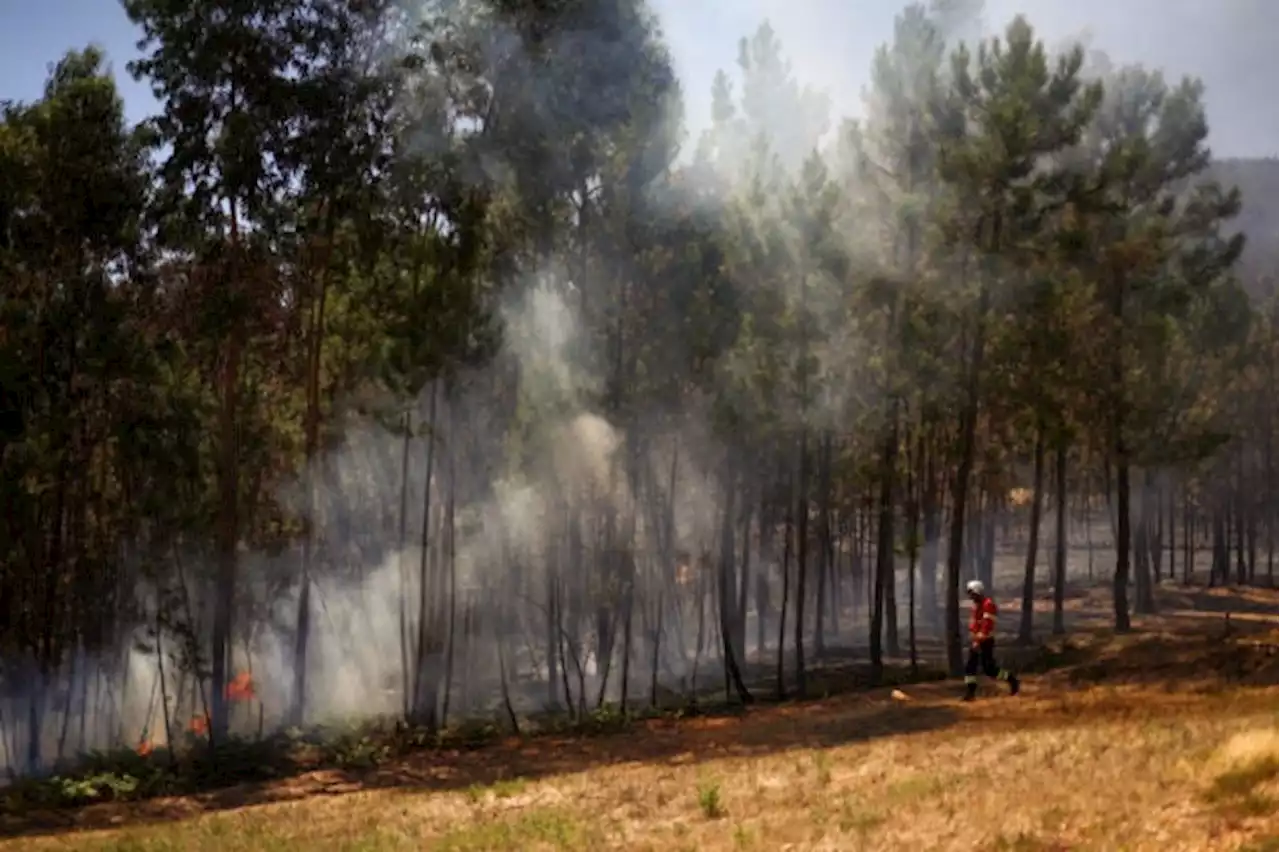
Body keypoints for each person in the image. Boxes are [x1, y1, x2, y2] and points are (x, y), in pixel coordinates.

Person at [963, 579, 1020, 701]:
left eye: (972, 594)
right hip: (976, 641)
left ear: (977, 592)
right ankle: (970, 693)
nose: (970, 597)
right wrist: (973, 637)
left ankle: (1011, 680)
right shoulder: (976, 606)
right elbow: (974, 623)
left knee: (990, 669)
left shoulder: (988, 604)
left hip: (986, 641)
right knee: (970, 667)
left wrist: (979, 640)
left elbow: (987, 624)